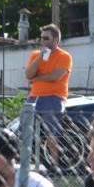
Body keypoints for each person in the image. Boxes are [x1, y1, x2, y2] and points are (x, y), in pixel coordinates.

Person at [24, 23, 72, 162]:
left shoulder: (65, 56)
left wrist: (37, 78)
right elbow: (28, 75)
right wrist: (41, 57)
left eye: (46, 38)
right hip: (34, 97)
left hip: (53, 98)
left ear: (56, 40)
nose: (42, 41)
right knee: (24, 130)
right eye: (41, 38)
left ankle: (55, 165)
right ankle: (25, 162)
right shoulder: (35, 55)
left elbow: (55, 77)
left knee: (52, 133)